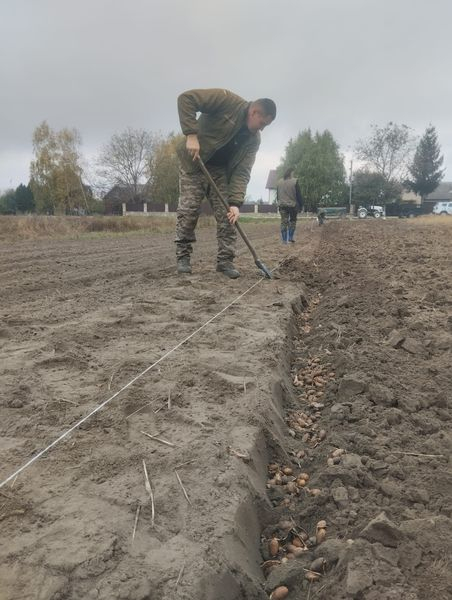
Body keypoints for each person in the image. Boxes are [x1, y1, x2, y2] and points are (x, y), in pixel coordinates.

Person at [175, 88, 276, 278]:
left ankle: (225, 262)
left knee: (228, 216)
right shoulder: (226, 100)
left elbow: (242, 171)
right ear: (254, 112)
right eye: (262, 123)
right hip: (194, 162)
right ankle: (183, 258)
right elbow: (186, 99)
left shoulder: (253, 140)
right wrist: (191, 135)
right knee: (188, 212)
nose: (262, 128)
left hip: (219, 172)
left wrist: (236, 203)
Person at [276, 168, 303, 243]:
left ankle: (284, 240)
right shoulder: (294, 181)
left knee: (283, 222)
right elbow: (298, 195)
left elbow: (277, 195)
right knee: (293, 221)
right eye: (293, 173)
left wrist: (279, 202)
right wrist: (301, 204)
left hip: (282, 205)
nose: (293, 175)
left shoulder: (279, 182)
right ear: (291, 173)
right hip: (292, 205)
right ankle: (290, 237)